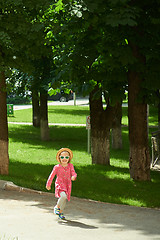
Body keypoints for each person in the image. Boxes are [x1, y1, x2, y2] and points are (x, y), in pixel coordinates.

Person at [46, 148, 77, 220]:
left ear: (69, 158)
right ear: (59, 158)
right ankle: (57, 207)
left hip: (67, 185)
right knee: (63, 196)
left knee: (65, 199)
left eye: (66, 157)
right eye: (62, 157)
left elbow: (73, 173)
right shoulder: (57, 167)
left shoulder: (70, 166)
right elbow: (52, 176)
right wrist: (48, 184)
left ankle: (61, 212)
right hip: (60, 184)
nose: (64, 159)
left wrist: (73, 177)